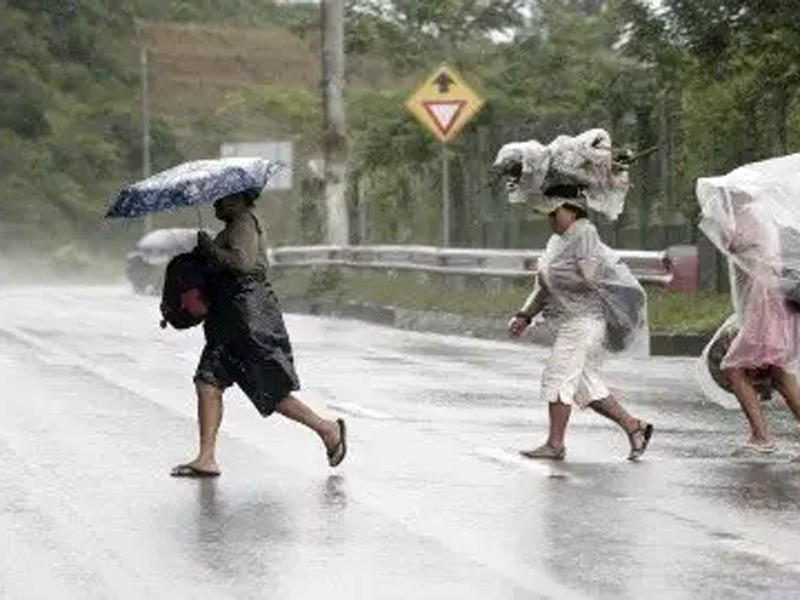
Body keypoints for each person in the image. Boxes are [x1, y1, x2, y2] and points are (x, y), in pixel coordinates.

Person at [170, 191, 347, 477]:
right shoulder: (231, 227)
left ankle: (327, 429)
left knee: (269, 388)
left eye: (223, 198)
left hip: (248, 317)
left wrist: (210, 249)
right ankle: (206, 457)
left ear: (240, 199)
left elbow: (242, 263)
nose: (216, 204)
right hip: (228, 318)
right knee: (208, 382)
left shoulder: (243, 222)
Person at [508, 189, 653, 461]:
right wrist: (525, 315)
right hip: (569, 322)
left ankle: (555, 444)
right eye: (549, 214)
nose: (551, 219)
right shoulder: (558, 242)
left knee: (559, 377)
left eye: (556, 212)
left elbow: (591, 278)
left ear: (573, 211)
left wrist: (564, 275)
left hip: (586, 322)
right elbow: (545, 286)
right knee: (585, 386)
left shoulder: (585, 234)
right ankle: (634, 427)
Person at [718, 191, 800, 456]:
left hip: (768, 299)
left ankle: (761, 437)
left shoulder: (751, 213)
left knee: (733, 367)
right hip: (776, 296)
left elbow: (732, 244)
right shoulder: (768, 213)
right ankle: (760, 435)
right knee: (779, 373)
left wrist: (723, 219)